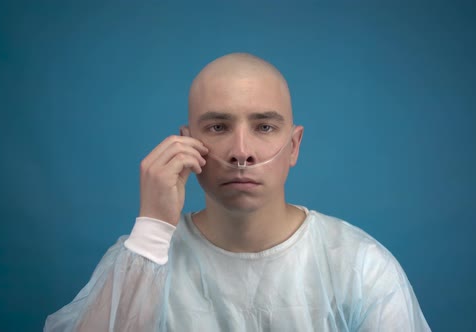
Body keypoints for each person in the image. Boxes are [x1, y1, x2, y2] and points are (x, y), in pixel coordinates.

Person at [44, 53, 431, 331]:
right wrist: (152, 230)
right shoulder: (143, 257)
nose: (241, 151)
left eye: (264, 127)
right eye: (217, 127)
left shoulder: (359, 266)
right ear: (186, 142)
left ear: (294, 146)